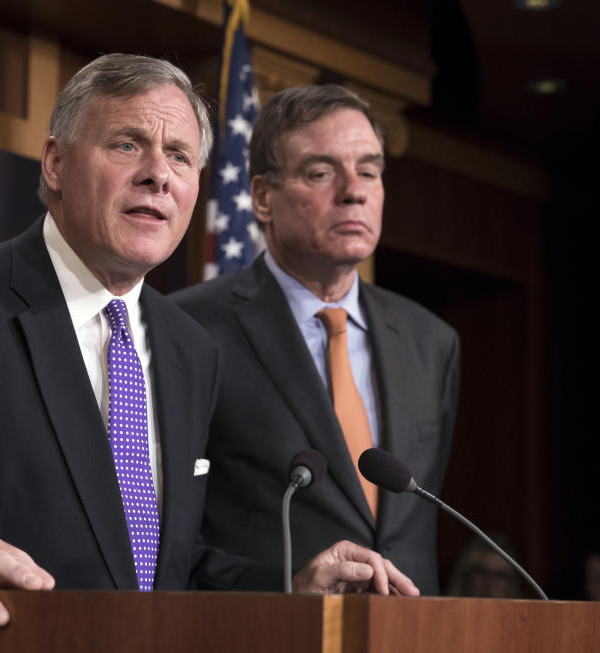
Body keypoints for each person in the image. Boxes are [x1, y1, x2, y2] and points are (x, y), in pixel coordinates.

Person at [0, 58, 418, 653]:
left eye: (181, 156)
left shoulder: (190, 349)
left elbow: (158, 568)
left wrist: (290, 587)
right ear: (56, 163)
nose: (158, 173)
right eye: (128, 144)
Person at [172, 85, 459, 596]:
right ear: (262, 196)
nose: (354, 191)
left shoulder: (431, 341)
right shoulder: (188, 328)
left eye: (369, 171)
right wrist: (285, 590)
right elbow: (168, 542)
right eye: (321, 173)